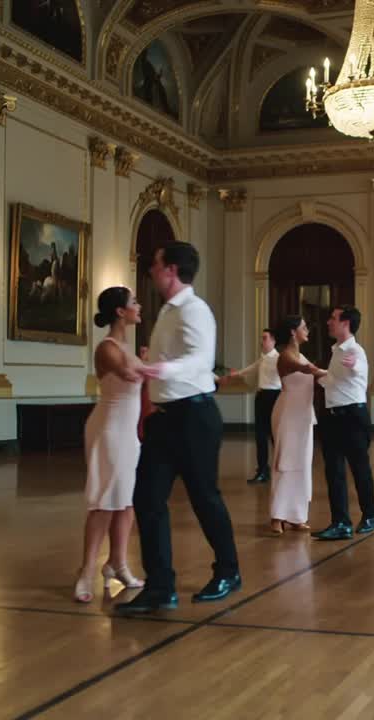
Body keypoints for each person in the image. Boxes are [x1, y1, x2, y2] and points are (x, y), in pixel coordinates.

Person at [116, 242, 241, 613]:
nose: (150, 271)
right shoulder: (168, 312)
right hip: (167, 417)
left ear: (170, 269)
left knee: (204, 498)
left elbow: (201, 359)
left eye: (154, 264)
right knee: (147, 498)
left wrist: (161, 370)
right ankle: (159, 587)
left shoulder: (194, 309)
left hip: (195, 418)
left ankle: (229, 571)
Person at [74, 286, 148, 603]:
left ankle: (117, 563)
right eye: (134, 302)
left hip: (128, 432)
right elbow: (131, 376)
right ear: (120, 311)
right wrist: (157, 364)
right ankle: (86, 572)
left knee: (127, 500)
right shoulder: (108, 348)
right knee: (105, 500)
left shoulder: (127, 347)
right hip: (108, 429)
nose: (139, 305)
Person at [312, 306, 374, 541]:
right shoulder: (336, 350)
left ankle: (369, 515)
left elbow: (360, 370)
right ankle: (341, 523)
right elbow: (331, 380)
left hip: (352, 417)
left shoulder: (354, 350)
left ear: (346, 323)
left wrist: (354, 365)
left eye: (333, 318)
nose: (329, 322)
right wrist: (313, 371)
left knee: (360, 468)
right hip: (332, 416)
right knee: (334, 471)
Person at [268, 315, 327, 535]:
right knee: (285, 462)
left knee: (301, 463)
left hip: (302, 415)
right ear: (293, 332)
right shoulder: (286, 356)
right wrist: (339, 374)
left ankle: (296, 516)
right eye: (304, 327)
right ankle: (277, 515)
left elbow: (310, 370)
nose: (307, 331)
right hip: (287, 414)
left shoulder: (299, 354)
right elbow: (308, 370)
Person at [226, 329, 281, 484]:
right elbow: (251, 368)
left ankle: (279, 470)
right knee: (260, 435)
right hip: (262, 396)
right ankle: (263, 469)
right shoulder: (263, 359)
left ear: (273, 341)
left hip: (273, 397)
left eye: (264, 338)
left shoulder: (278, 358)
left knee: (273, 435)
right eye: (261, 338)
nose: (261, 342)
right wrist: (235, 375)